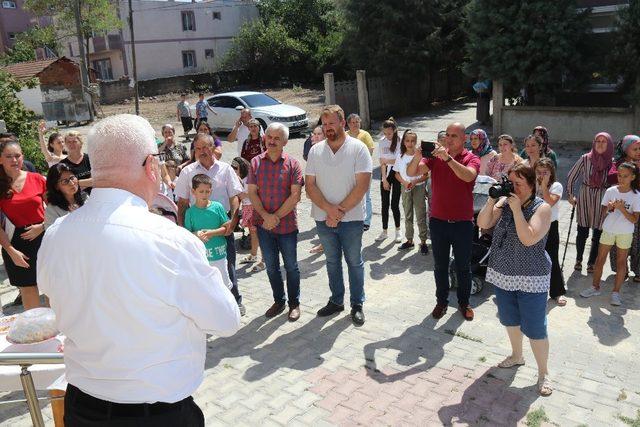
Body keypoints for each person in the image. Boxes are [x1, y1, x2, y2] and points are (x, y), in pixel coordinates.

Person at [38, 114, 240, 426]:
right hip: (156, 416)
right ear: (150, 166)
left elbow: (53, 301)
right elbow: (226, 320)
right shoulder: (170, 240)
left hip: (82, 409)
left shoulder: (55, 234)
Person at [477, 163, 553, 396]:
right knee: (510, 319)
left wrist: (518, 210)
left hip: (532, 275)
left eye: (518, 184)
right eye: (511, 183)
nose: (514, 188)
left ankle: (543, 373)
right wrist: (493, 199)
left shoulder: (542, 208)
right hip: (503, 273)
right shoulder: (506, 202)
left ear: (531, 185)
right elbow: (482, 223)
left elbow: (528, 238)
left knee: (535, 327)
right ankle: (517, 355)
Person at [306, 105, 372, 325]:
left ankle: (357, 304)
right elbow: (310, 186)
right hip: (324, 218)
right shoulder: (316, 151)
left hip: (351, 219)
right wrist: (329, 210)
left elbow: (362, 185)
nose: (327, 128)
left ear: (342, 123)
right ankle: (336, 301)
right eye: (324, 125)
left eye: (331, 123)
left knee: (354, 262)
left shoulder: (358, 148)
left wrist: (338, 212)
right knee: (332, 262)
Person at [407, 122, 480, 321]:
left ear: (464, 138)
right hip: (438, 222)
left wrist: (447, 159)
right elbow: (413, 172)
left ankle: (464, 303)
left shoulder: (471, 158)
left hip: (463, 223)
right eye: (447, 135)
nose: (448, 139)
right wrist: (417, 154)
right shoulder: (435, 157)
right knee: (440, 266)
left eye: (453, 136)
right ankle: (441, 301)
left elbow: (468, 176)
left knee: (463, 266)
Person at [175, 133, 246, 316]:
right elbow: (182, 203)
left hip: (222, 228)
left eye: (204, 148)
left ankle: (234, 301)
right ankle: (207, 308)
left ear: (213, 147)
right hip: (197, 232)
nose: (201, 152)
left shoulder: (225, 169)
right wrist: (183, 231)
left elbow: (235, 197)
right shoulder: (187, 172)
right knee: (201, 269)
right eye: (197, 149)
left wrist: (233, 221)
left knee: (227, 265)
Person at [248, 123, 304, 321]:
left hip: (287, 226)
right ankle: (279, 301)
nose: (271, 141)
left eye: (277, 138)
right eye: (269, 137)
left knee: (291, 266)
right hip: (264, 227)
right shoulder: (255, 163)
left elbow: (295, 195)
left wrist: (275, 217)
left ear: (285, 142)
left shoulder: (293, 164)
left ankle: (294, 304)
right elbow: (252, 193)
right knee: (271, 266)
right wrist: (266, 217)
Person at [580, 162, 640, 306]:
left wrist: (622, 209)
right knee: (600, 260)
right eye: (619, 175)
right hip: (608, 230)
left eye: (625, 176)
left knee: (621, 262)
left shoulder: (637, 196)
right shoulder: (611, 191)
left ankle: (616, 293)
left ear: (632, 177)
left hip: (625, 233)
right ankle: (595, 287)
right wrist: (611, 208)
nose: (621, 178)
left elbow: (634, 219)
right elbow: (603, 212)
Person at [0, 140, 46, 310]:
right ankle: (36, 333)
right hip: (15, 244)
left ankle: (57, 330)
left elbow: (54, 210)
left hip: (44, 238)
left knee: (51, 288)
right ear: (1, 159)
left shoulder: (37, 179)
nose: (14, 160)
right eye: (9, 156)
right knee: (28, 290)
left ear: (23, 157)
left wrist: (41, 227)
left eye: (17, 156)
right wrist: (11, 251)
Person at [567, 132, 615, 272]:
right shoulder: (585, 159)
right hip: (585, 196)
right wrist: (570, 195)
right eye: (597, 141)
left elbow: (615, 183)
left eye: (603, 141)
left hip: (603, 199)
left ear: (609, 144)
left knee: (598, 233)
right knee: (582, 231)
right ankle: (579, 259)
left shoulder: (611, 162)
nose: (600, 144)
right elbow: (571, 176)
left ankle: (591, 262)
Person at [184, 174, 233, 290]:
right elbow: (186, 235)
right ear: (193, 191)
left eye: (207, 191)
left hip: (219, 255)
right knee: (206, 288)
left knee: (224, 286)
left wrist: (211, 233)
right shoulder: (190, 212)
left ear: (211, 191)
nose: (204, 194)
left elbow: (227, 229)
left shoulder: (218, 207)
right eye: (201, 191)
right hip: (201, 257)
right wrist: (196, 234)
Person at [534, 158, 566, 306]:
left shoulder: (556, 186)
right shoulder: (532, 184)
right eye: (538, 172)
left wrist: (544, 185)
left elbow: (549, 201)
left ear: (551, 172)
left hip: (550, 226)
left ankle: (557, 292)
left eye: (544, 172)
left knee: (552, 258)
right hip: (534, 224)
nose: (541, 175)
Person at [394, 129, 429, 254]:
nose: (410, 143)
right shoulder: (400, 156)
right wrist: (404, 183)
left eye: (413, 141)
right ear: (403, 142)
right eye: (407, 140)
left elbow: (426, 175)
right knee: (408, 214)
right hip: (405, 188)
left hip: (418, 187)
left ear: (416, 142)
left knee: (420, 214)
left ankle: (423, 241)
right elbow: (397, 173)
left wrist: (415, 181)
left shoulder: (419, 156)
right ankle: (409, 240)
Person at [610, 135, 640, 281]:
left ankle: (638, 270)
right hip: (621, 206)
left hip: (636, 206)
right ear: (626, 149)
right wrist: (628, 169)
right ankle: (622, 270)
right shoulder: (618, 163)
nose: (638, 151)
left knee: (637, 240)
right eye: (635, 149)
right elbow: (611, 178)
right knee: (620, 239)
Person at [233, 156, 265, 272]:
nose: (234, 171)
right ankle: (253, 255)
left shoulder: (249, 179)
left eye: (236, 168)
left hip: (254, 208)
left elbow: (253, 193)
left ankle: (264, 261)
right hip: (247, 207)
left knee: (261, 235)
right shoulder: (240, 179)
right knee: (253, 233)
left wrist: (241, 194)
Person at [347, 113, 375, 231]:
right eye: (352, 122)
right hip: (349, 171)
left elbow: (370, 151)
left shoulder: (365, 134)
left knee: (366, 196)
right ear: (348, 124)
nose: (355, 124)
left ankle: (366, 221)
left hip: (363, 170)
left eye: (357, 122)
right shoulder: (345, 135)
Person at [376, 117, 402, 243]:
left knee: (394, 204)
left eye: (389, 133)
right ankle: (384, 231)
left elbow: (399, 161)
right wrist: (384, 179)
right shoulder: (381, 142)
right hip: (385, 174)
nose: (387, 136)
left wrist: (387, 161)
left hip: (396, 173)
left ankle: (398, 231)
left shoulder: (399, 141)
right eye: (385, 133)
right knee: (384, 204)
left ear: (394, 130)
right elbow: (381, 162)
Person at [44, 163, 87, 229]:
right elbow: (52, 236)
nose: (72, 183)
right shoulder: (52, 210)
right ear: (56, 186)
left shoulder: (86, 198)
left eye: (72, 178)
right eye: (65, 181)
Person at [304, 125, 326, 254]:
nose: (315, 136)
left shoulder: (325, 150)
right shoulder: (313, 150)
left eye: (319, 134)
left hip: (324, 191)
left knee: (323, 219)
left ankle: (325, 244)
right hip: (315, 189)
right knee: (319, 219)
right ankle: (324, 243)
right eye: (314, 134)